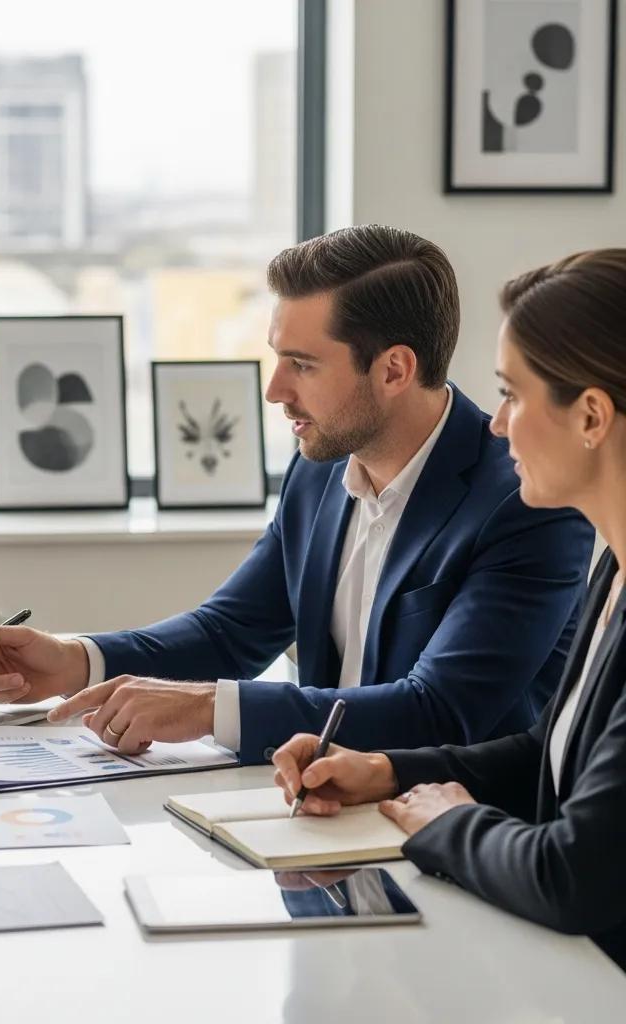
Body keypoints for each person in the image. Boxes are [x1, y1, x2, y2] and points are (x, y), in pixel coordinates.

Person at [0, 225, 593, 764]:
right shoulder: (318, 466)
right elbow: (233, 632)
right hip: (315, 805)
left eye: (303, 365)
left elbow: (441, 710)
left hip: (456, 831)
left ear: (395, 369)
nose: (275, 389)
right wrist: (76, 658)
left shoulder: (526, 499)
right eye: (278, 357)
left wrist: (207, 709)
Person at [271, 249, 626, 969]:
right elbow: (550, 755)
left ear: (590, 415)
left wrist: (449, 821)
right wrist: (387, 769)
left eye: (512, 396)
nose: (496, 426)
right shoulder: (616, 568)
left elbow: (574, 874)